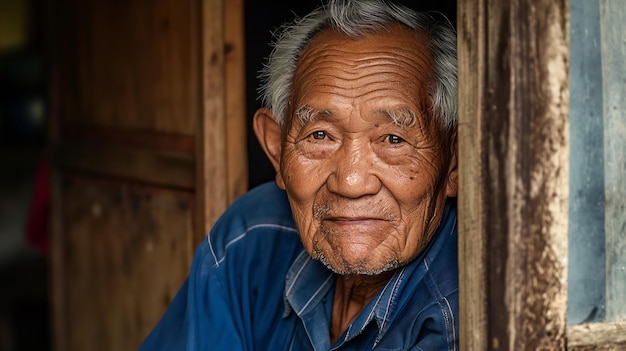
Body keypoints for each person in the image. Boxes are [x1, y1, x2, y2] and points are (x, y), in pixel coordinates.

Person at [139, 0, 458, 349]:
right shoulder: (251, 241)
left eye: (393, 139)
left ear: (453, 161)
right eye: (320, 135)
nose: (351, 182)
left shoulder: (468, 311)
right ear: (277, 149)